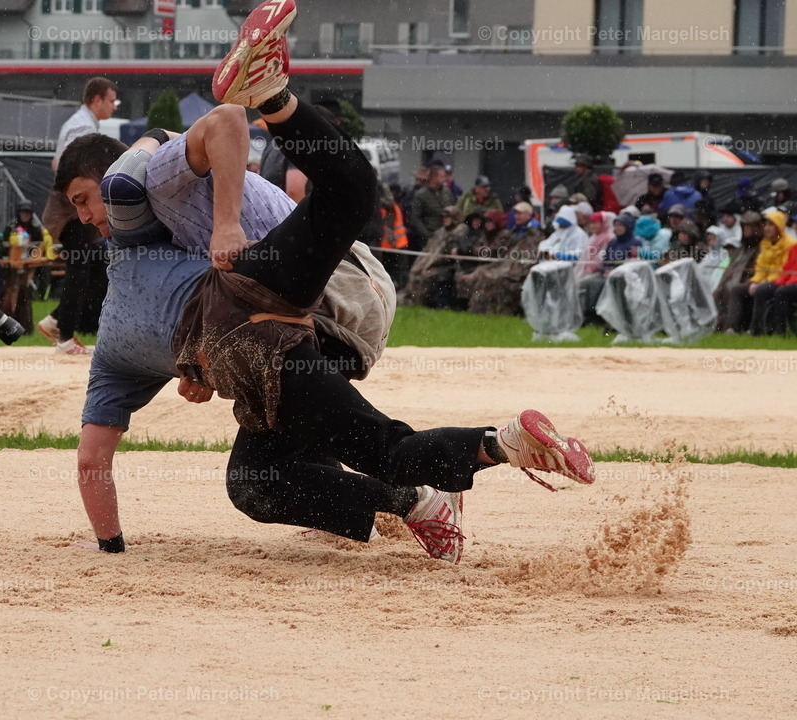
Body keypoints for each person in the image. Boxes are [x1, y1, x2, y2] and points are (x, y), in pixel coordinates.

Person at [63, 0, 595, 561]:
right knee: (264, 479)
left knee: (374, 439)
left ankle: (497, 447)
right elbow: (96, 452)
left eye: (82, 200)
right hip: (284, 319)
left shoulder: (137, 203)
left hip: (325, 292)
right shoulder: (133, 256)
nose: (84, 218)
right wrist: (189, 365)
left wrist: (111, 548)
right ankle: (473, 465)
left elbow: (141, 172)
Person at [37, 77, 119, 354]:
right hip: (71, 211)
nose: (114, 106)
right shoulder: (81, 126)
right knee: (80, 269)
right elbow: (63, 165)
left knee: (96, 267)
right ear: (96, 99)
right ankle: (65, 337)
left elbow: (56, 161)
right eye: (110, 100)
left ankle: (56, 321)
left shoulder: (80, 124)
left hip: (74, 208)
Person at [725, 210, 793, 335]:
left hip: (781, 280)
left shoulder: (790, 244)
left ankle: (755, 329)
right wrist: (755, 281)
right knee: (737, 290)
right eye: (765, 225)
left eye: (771, 225)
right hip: (765, 280)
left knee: (761, 290)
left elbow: (784, 269)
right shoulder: (765, 243)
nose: (767, 228)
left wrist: (763, 282)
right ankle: (732, 328)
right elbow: (761, 267)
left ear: (778, 226)